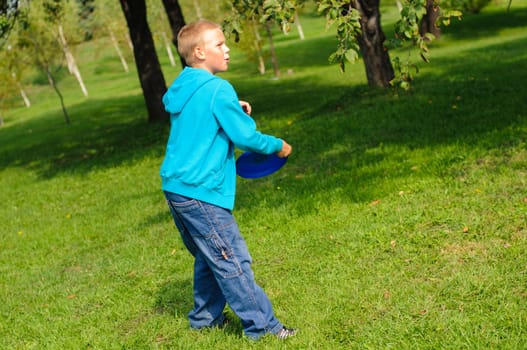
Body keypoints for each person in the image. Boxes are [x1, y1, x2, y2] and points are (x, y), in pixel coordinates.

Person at [160, 19, 296, 340]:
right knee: (231, 258)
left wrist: (232, 108)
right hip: (201, 192)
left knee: (211, 255)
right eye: (219, 44)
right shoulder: (218, 88)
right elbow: (246, 138)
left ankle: (204, 319)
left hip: (176, 188)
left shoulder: (184, 85)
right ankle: (263, 327)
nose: (227, 49)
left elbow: (202, 115)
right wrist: (277, 146)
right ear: (199, 51)